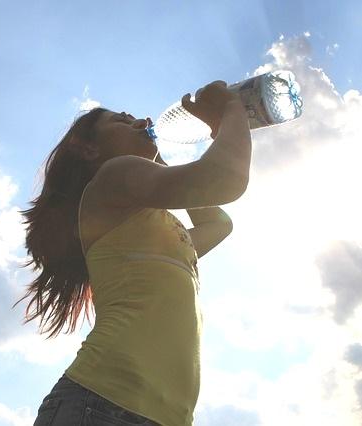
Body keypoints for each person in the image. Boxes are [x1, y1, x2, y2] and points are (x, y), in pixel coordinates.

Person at [13, 81, 252, 425]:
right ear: (90, 150)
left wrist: (167, 154)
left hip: (150, 415)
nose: (140, 121)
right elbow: (223, 180)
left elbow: (219, 223)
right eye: (122, 122)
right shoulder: (113, 176)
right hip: (103, 403)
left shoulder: (158, 232)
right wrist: (231, 108)